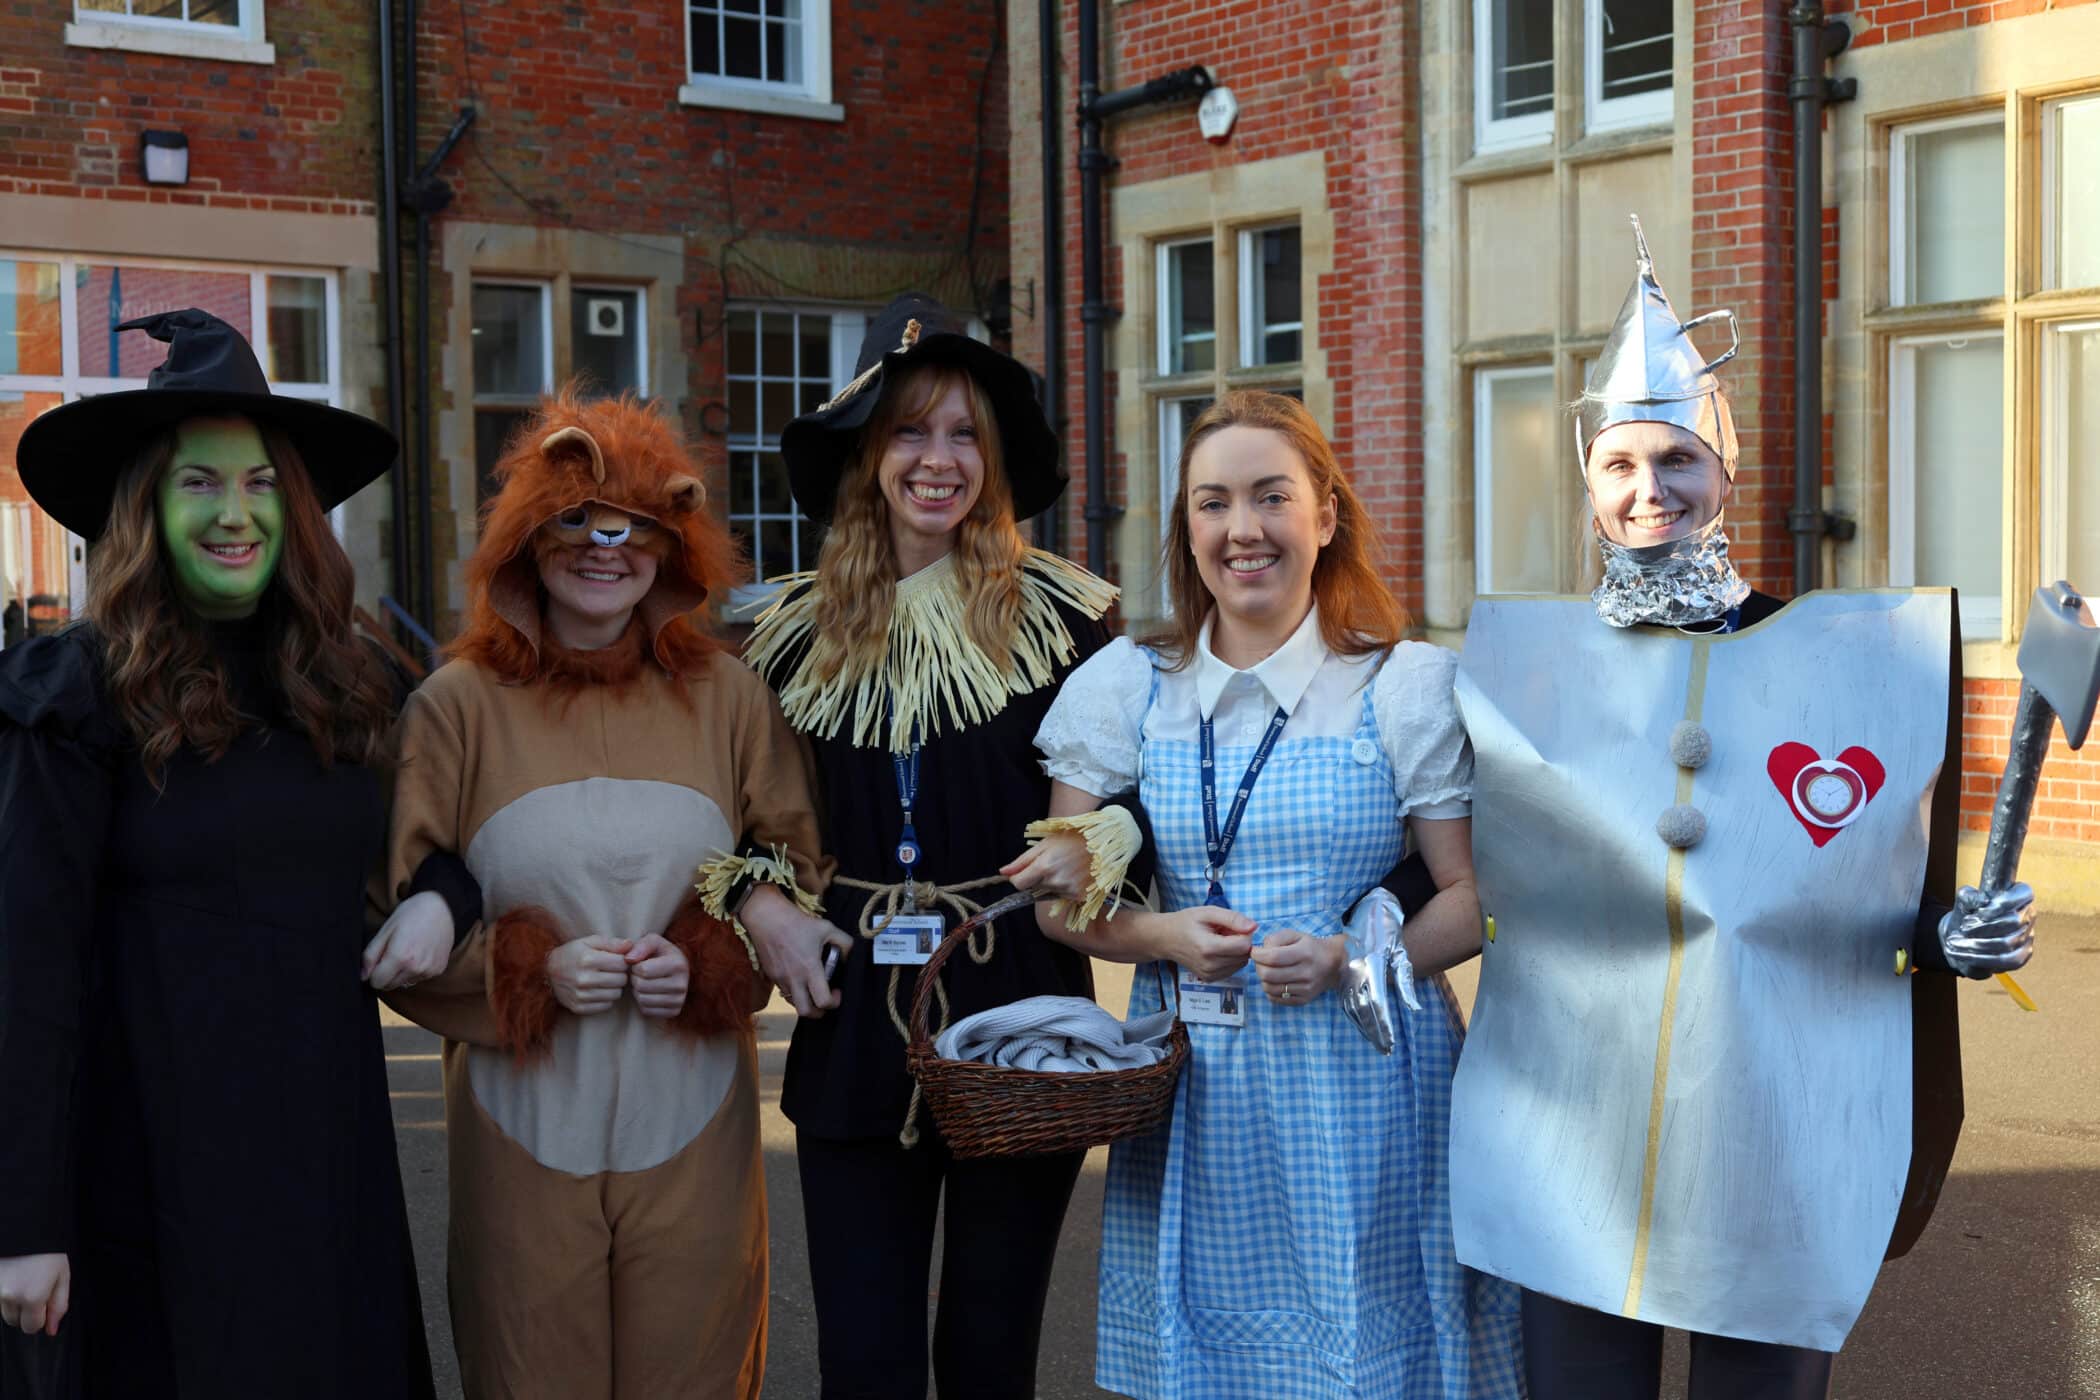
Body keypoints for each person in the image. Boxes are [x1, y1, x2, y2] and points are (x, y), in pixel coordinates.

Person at [1446, 218, 2038, 1399]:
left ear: (1727, 472)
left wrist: (1953, 933)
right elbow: (1463, 866)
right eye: (1621, 463)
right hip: (1576, 1134)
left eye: (1675, 459)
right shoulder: (1530, 669)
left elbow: (1877, 901)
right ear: (1590, 480)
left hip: (1778, 1130)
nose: (1647, 488)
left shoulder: (1849, 661)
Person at [1031, 389, 1525, 1399]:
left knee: (1366, 1355)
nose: (1241, 529)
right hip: (1197, 1083)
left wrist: (1354, 959)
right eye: (1213, 503)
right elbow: (1059, 903)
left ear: (1325, 515)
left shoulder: (1405, 685)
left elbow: (1471, 898)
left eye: (1270, 497)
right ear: (1188, 525)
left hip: (1369, 1073)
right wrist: (1164, 932)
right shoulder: (1127, 683)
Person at [0, 309, 436, 1398]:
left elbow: (442, 844)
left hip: (322, 1158)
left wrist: (445, 896)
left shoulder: (349, 686)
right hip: (144, 1179)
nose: (233, 513)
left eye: (257, 485)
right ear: (146, 507)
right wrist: (23, 1221)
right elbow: (26, 968)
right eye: (199, 482)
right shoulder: (76, 698)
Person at [375, 389, 827, 1400]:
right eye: (572, 522)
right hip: (518, 1137)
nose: (601, 550)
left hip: (694, 1134)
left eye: (629, 528)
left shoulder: (730, 699)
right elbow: (398, 905)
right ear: (526, 538)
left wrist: (715, 954)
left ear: (671, 544)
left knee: (698, 1371)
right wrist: (527, 968)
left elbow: (791, 867)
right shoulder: (456, 709)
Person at [738, 293, 1121, 1400]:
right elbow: (746, 818)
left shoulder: (1067, 620)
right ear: (868, 451)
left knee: (992, 1355)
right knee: (864, 1361)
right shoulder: (787, 636)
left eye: (965, 434)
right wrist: (765, 901)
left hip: (1020, 1007)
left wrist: (1100, 837)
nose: (939, 459)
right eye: (910, 429)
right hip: (852, 1016)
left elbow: (1136, 803)